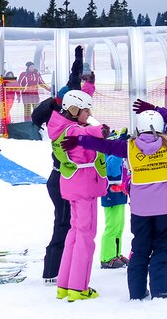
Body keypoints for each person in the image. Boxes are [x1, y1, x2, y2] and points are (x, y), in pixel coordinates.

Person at [63, 100, 167, 299]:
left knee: (140, 249)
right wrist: (154, 109)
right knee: (162, 247)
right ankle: (161, 289)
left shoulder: (129, 147)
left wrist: (79, 141)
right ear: (161, 127)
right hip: (165, 208)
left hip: (140, 210)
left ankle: (136, 291)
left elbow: (104, 145)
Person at [31, 46, 86, 286]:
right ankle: (51, 271)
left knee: (70, 223)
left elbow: (73, 80)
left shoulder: (66, 114)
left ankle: (66, 265)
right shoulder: (60, 122)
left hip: (65, 179)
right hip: (60, 179)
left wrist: (78, 59)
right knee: (63, 223)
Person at [48, 89, 108, 301]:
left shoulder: (60, 126)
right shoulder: (74, 130)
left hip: (73, 185)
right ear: (74, 110)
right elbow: (88, 134)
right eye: (85, 110)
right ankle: (78, 287)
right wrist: (103, 130)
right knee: (85, 236)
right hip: (85, 187)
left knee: (74, 234)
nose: (88, 113)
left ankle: (64, 284)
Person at [100, 129, 131, 269]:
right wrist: (120, 146)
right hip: (110, 194)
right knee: (112, 226)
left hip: (120, 194)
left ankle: (116, 253)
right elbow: (112, 168)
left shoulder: (118, 156)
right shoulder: (109, 156)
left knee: (119, 226)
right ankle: (107, 257)